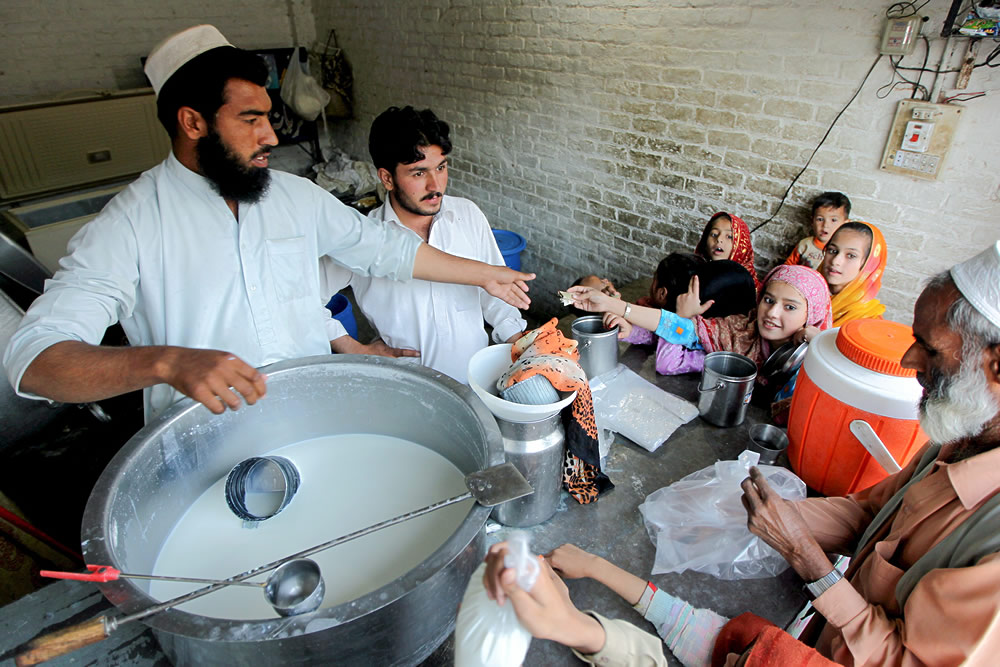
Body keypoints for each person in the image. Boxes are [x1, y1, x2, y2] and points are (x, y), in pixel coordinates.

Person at [486, 242, 1000, 666]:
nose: (911, 360)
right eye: (768, 301)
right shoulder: (959, 437)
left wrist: (803, 553)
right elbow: (871, 511)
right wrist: (769, 516)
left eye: (929, 349)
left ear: (994, 366)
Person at [2, 26, 532, 422]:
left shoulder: (295, 198)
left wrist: (486, 275)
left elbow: (385, 250)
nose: (271, 137)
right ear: (194, 122)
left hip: (315, 418)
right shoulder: (131, 224)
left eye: (267, 117)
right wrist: (167, 364)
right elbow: (35, 359)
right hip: (209, 444)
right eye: (251, 120)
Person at [320, 106, 526, 383]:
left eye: (441, 167)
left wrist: (521, 343)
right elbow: (302, 301)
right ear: (387, 178)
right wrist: (354, 348)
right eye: (418, 173)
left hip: (476, 382)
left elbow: (495, 293)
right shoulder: (364, 238)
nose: (435, 185)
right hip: (407, 390)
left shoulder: (467, 215)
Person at [608, 256, 756, 376]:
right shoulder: (698, 324)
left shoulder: (716, 351)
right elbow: (658, 334)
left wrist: (680, 318)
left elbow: (666, 364)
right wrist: (631, 331)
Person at [819, 221, 887, 326]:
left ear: (869, 265)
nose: (835, 261)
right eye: (832, 251)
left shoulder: (868, 324)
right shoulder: (801, 294)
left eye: (851, 255)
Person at [784, 191, 852, 270]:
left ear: (845, 224)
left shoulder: (845, 251)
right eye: (820, 219)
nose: (825, 225)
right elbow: (787, 268)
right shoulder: (805, 245)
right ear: (812, 221)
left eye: (833, 220)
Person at [693, 212, 760, 290]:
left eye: (729, 237)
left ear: (741, 245)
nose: (719, 239)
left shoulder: (746, 286)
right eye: (714, 234)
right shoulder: (696, 275)